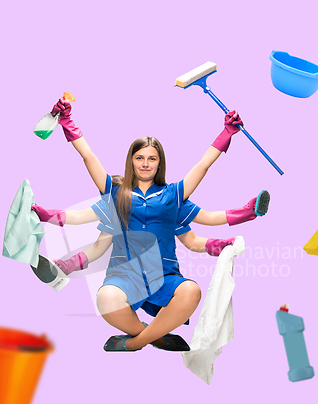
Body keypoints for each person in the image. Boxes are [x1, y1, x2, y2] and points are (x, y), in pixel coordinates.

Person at [36, 98, 270, 351]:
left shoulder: (173, 196)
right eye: (139, 158)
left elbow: (203, 169)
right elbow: (88, 157)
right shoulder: (115, 193)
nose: (145, 163)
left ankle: (136, 343)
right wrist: (67, 122)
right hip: (124, 277)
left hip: (164, 277)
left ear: (160, 163)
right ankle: (155, 337)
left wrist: (227, 133)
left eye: (152, 158)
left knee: (192, 291)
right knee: (105, 298)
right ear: (131, 161)